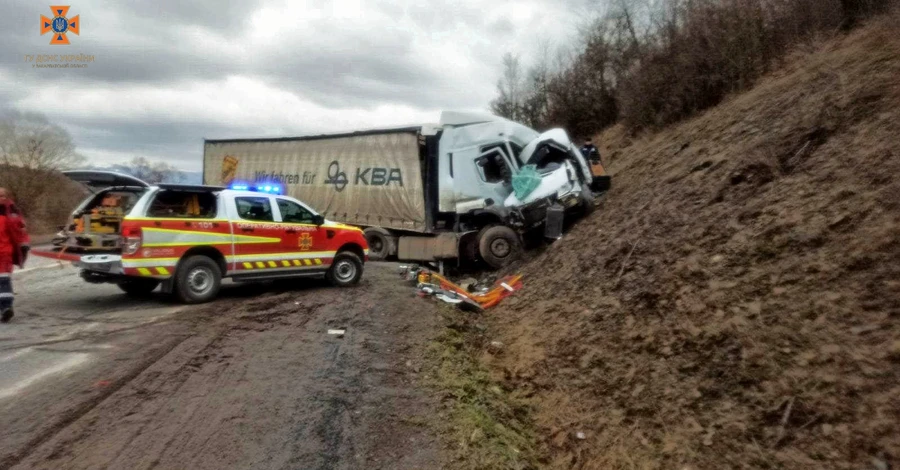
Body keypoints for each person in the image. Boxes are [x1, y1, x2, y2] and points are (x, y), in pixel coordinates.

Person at [0, 188, 30, 323]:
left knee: (3, 280)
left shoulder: (12, 215)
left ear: (6, 197)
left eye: (2, 196)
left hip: (4, 253)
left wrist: (24, 244)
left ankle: (6, 307)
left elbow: (21, 231)